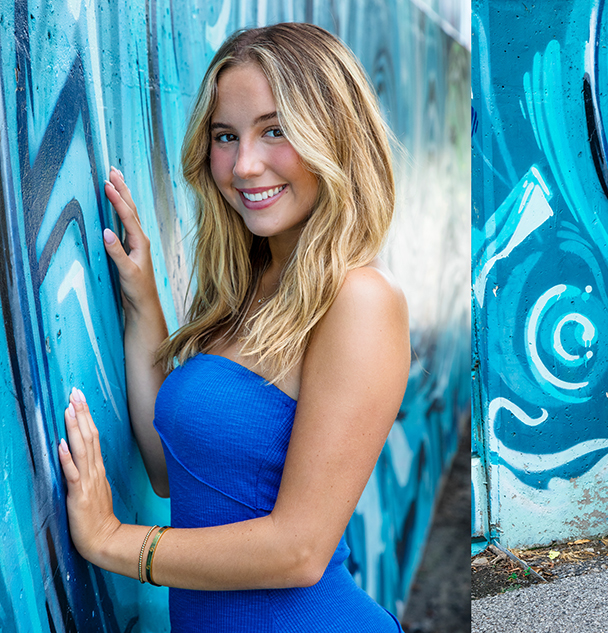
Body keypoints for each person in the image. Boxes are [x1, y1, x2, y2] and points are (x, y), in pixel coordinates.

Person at [58, 23, 410, 632]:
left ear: (335, 135)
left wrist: (113, 540)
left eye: (275, 130)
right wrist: (143, 302)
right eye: (226, 136)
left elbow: (299, 550)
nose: (245, 165)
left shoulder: (359, 300)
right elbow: (171, 471)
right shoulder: (244, 291)